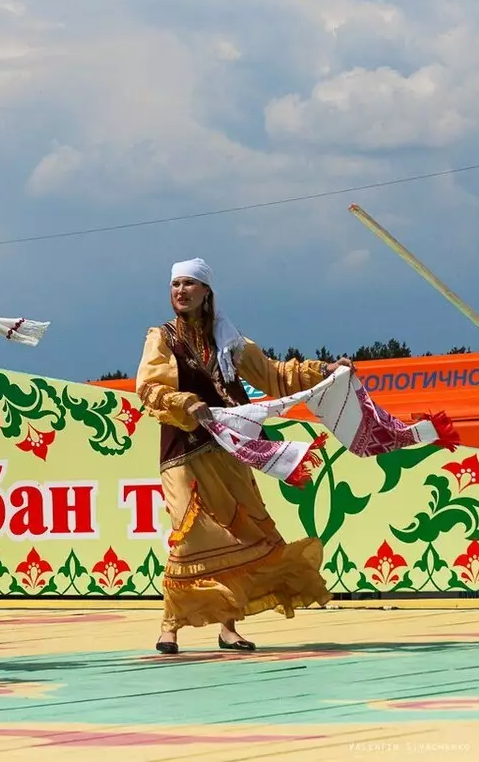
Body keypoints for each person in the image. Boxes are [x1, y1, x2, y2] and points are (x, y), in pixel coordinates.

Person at [135, 258, 355, 654]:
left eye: (188, 284)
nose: (180, 291)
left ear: (206, 293)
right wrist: (187, 403)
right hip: (184, 449)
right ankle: (170, 626)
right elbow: (149, 387)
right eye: (175, 285)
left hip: (230, 446)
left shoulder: (230, 341)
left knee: (240, 533)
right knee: (189, 535)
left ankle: (228, 627)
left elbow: (273, 375)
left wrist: (324, 369)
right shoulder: (163, 337)